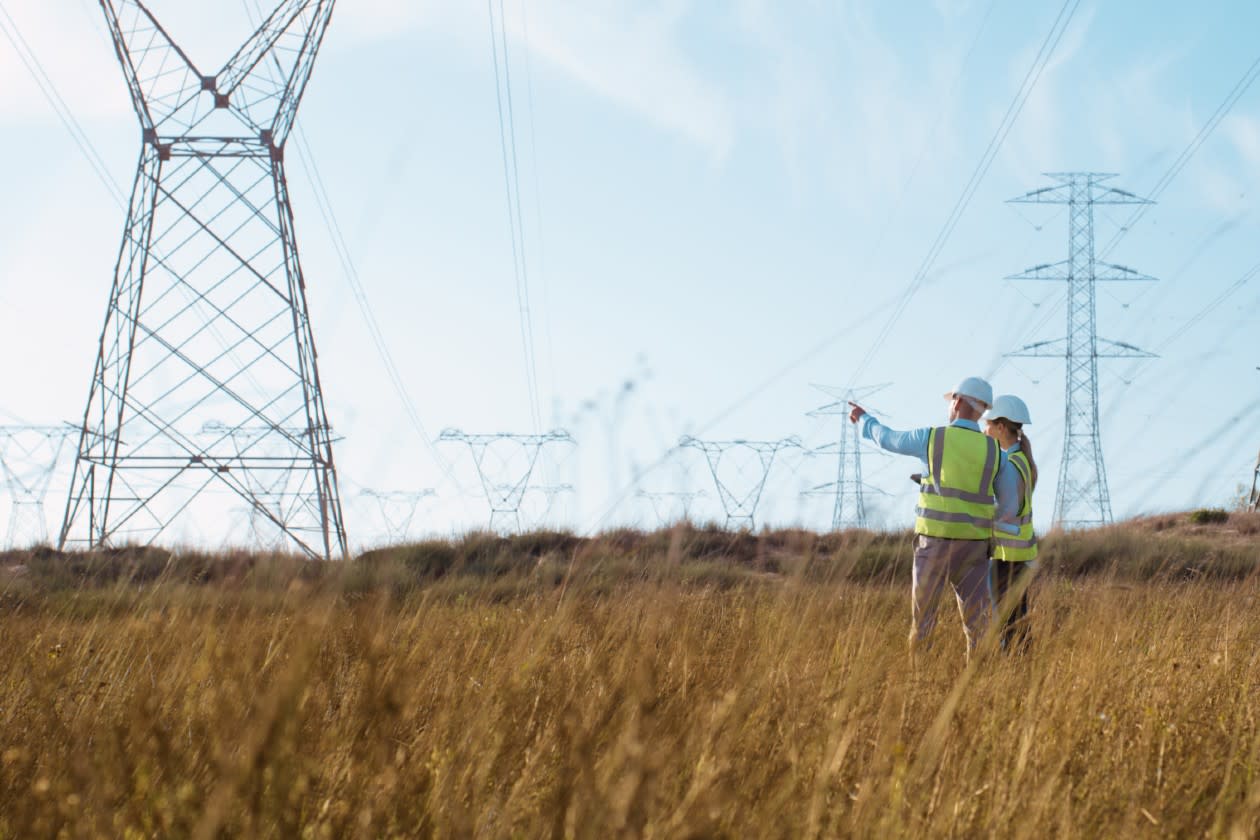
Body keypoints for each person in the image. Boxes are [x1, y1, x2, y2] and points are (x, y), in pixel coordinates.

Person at [849, 376, 1019, 655]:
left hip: (933, 545)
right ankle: (979, 688)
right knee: (979, 626)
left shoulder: (931, 438)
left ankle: (918, 686)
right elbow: (1010, 505)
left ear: (958, 401)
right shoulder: (995, 452)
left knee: (923, 623)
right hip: (974, 548)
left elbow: (888, 438)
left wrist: (865, 420)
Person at [983, 395, 1038, 653]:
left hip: (1008, 557)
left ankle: (1014, 673)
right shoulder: (1022, 460)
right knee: (1017, 620)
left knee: (1008, 623)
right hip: (1020, 554)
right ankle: (1020, 672)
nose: (984, 430)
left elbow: (1005, 510)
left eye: (988, 424)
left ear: (1001, 427)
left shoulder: (1010, 464)